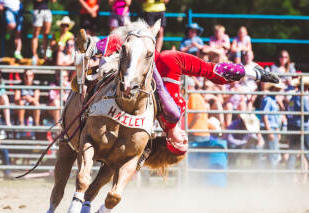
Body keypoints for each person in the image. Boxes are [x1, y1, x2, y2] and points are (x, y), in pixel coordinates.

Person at [74, 27, 279, 155]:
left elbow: (162, 92)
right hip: (169, 66)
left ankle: (93, 50)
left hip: (162, 67)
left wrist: (153, 72)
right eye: (186, 143)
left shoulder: (169, 120)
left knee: (132, 48)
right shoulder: (171, 120)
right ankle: (254, 72)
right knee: (211, 71)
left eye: (181, 143)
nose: (185, 140)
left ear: (170, 141)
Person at [286, 77, 309, 177]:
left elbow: (289, 110)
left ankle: (289, 177)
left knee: (293, 152)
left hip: (293, 127)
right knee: (307, 152)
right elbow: (307, 111)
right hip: (303, 127)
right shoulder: (303, 96)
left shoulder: (293, 96)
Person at [260, 82, 285, 168]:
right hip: (270, 128)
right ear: (272, 89)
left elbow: (276, 116)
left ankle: (271, 175)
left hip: (273, 128)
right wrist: (269, 130)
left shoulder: (273, 100)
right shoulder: (268, 100)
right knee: (273, 154)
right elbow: (264, 115)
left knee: (273, 153)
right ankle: (272, 176)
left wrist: (277, 130)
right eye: (276, 89)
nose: (278, 91)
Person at [31, 0, 56, 64]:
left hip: (47, 11)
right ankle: (34, 55)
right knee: (35, 34)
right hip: (38, 11)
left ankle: (45, 55)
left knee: (46, 34)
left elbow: (54, 1)